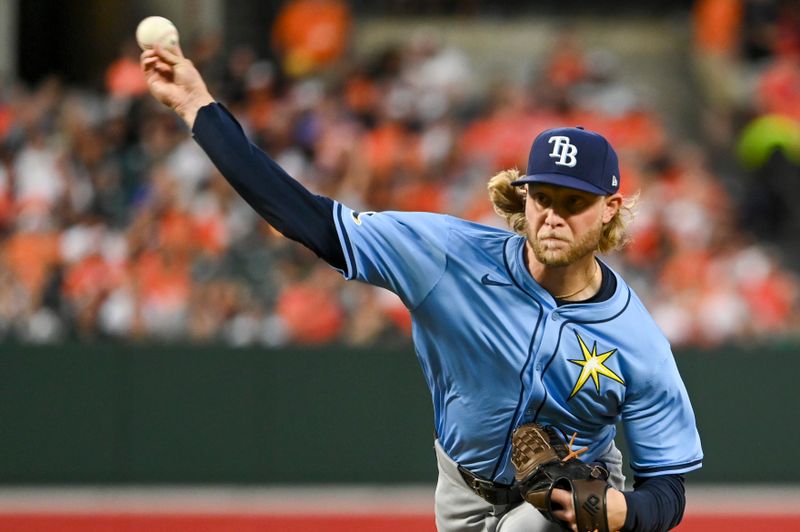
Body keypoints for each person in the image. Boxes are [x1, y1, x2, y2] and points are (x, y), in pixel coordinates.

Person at [141, 44, 703, 532]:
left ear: (609, 211)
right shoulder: (446, 256)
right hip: (461, 494)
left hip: (566, 511)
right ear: (524, 197)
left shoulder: (638, 342)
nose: (553, 216)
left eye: (574, 202)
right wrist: (198, 107)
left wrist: (624, 511)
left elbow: (667, 492)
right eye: (543, 197)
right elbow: (305, 218)